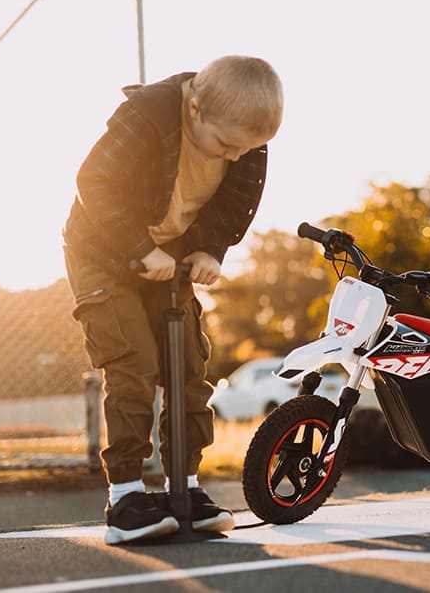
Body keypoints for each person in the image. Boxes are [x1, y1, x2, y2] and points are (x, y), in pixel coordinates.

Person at [63, 56, 282, 545]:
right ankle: (125, 498)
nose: (234, 157)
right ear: (196, 109)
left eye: (245, 149)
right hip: (102, 251)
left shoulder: (245, 140)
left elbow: (235, 203)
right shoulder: (146, 116)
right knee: (133, 363)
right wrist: (140, 249)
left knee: (187, 367)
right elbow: (94, 184)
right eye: (225, 145)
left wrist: (211, 248)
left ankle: (186, 488)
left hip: (171, 255)